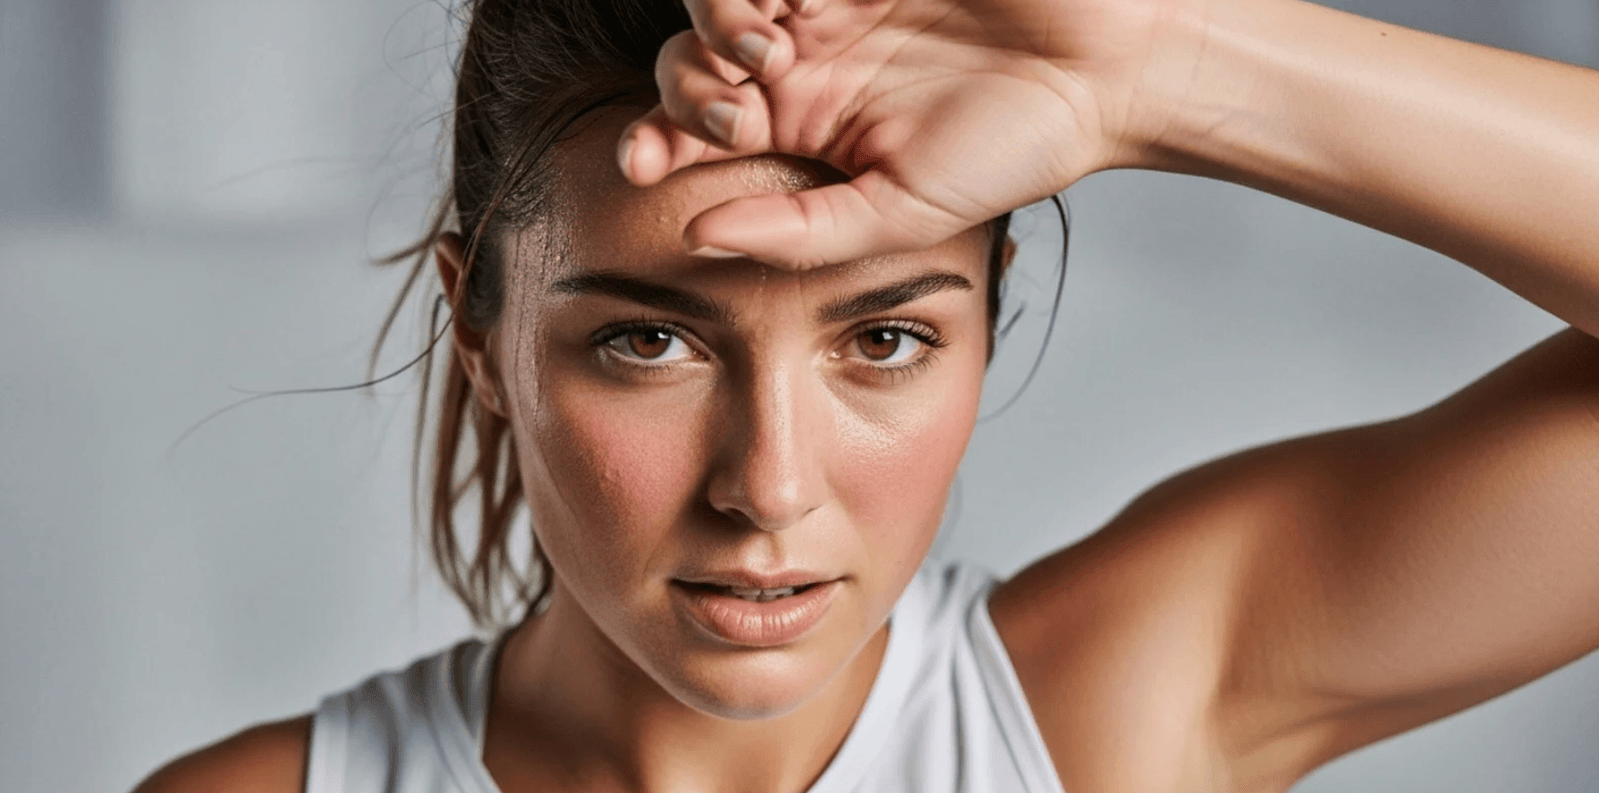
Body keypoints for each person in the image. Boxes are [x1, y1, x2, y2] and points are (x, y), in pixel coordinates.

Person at [133, 0, 1599, 790]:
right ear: (481, 332)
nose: (769, 487)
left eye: (883, 340)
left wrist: (1155, 71)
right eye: (649, 343)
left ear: (990, 314)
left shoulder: (1115, 713)